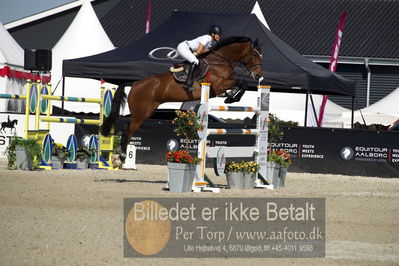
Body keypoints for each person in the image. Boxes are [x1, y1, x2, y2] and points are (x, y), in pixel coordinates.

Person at [177, 25, 222, 90]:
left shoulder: (212, 42)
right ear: (212, 34)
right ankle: (187, 83)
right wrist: (209, 49)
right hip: (184, 47)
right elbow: (199, 51)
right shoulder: (207, 38)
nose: (219, 36)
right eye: (218, 34)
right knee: (195, 61)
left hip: (189, 50)